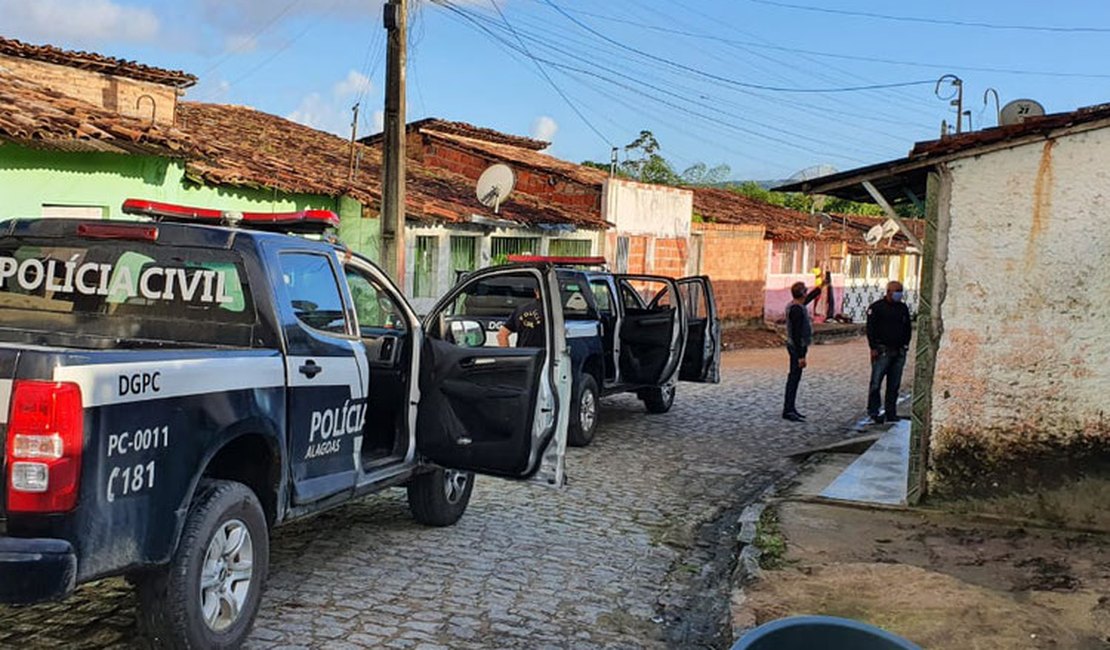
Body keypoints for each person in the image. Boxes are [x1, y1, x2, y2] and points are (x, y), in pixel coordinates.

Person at [866, 281, 913, 424]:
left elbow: (908, 328)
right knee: (876, 383)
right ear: (889, 291)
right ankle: (874, 412)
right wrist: (873, 348)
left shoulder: (902, 308)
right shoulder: (877, 308)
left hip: (898, 351)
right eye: (897, 291)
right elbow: (870, 329)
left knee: (894, 384)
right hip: (882, 351)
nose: (899, 293)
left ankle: (890, 412)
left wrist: (905, 344)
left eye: (901, 290)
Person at [783, 281, 822, 422]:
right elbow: (797, 333)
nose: (807, 294)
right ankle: (788, 409)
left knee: (795, 378)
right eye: (806, 292)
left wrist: (820, 287)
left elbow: (809, 298)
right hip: (796, 347)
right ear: (802, 294)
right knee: (794, 378)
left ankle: (791, 408)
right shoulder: (797, 310)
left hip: (796, 346)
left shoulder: (796, 306)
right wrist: (801, 356)